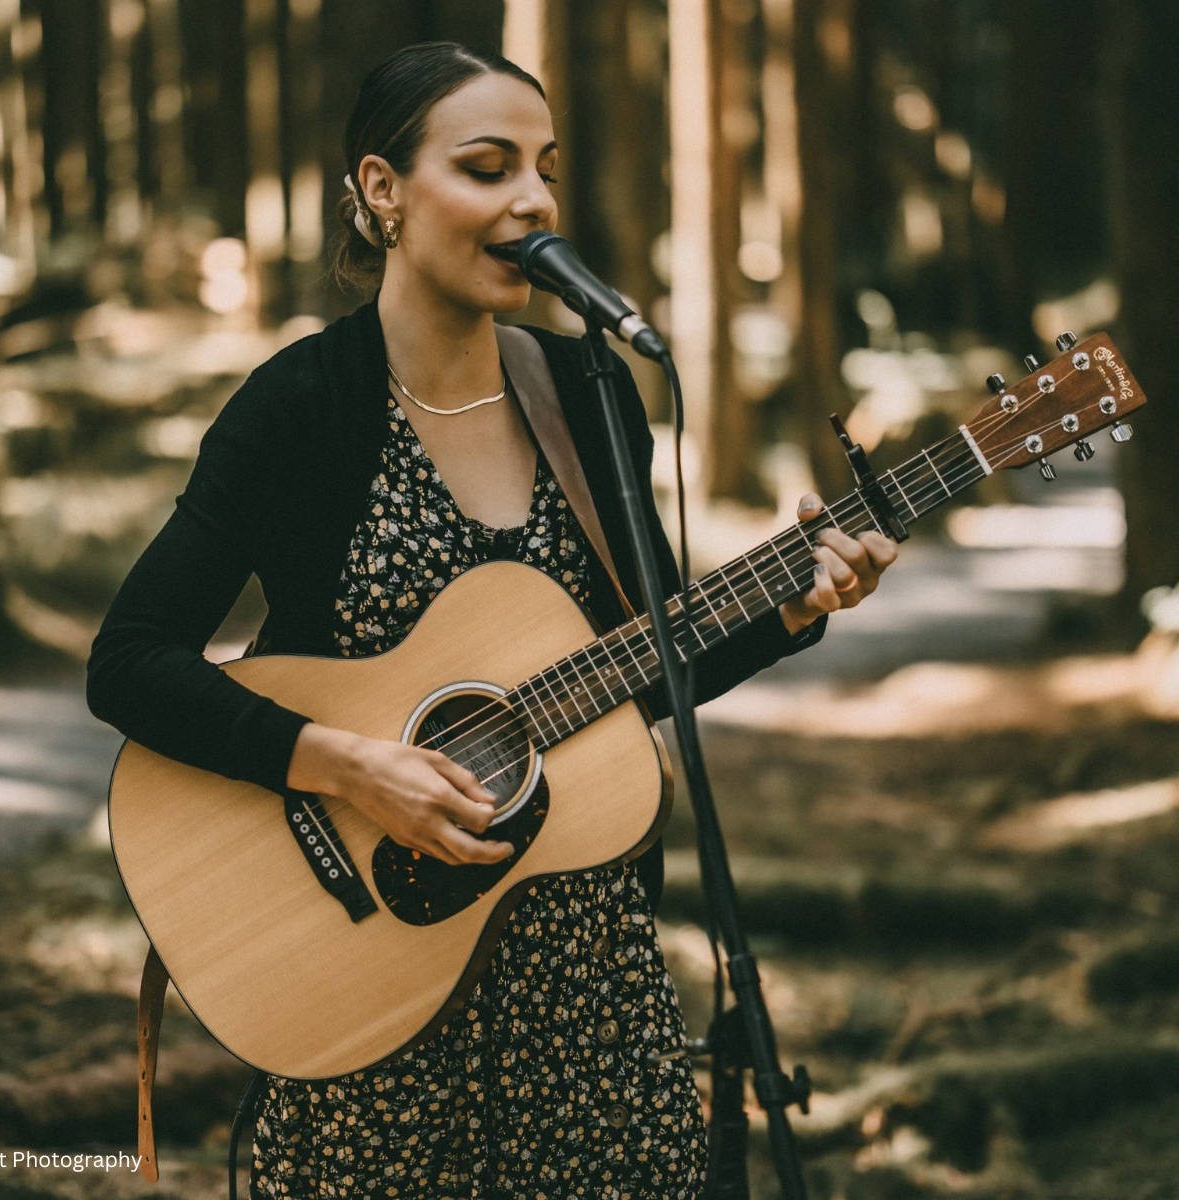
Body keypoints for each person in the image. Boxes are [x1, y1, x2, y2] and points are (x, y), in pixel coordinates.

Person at [86, 40, 897, 1200]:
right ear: (383, 193)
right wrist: (348, 766)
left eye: (545, 168)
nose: (534, 200)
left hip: (592, 1009)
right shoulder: (302, 408)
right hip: (372, 1004)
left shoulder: (588, 396)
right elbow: (130, 664)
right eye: (486, 166)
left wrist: (795, 605)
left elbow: (649, 661)